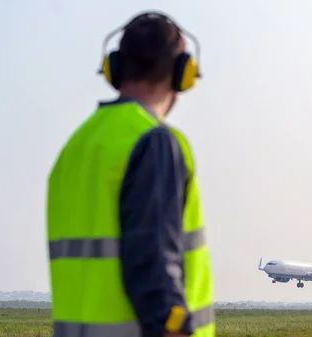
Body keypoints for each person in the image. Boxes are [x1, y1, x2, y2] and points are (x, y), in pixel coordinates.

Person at [46, 11, 214, 337]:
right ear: (183, 73)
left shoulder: (75, 149)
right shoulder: (152, 141)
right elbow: (155, 276)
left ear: (114, 68)